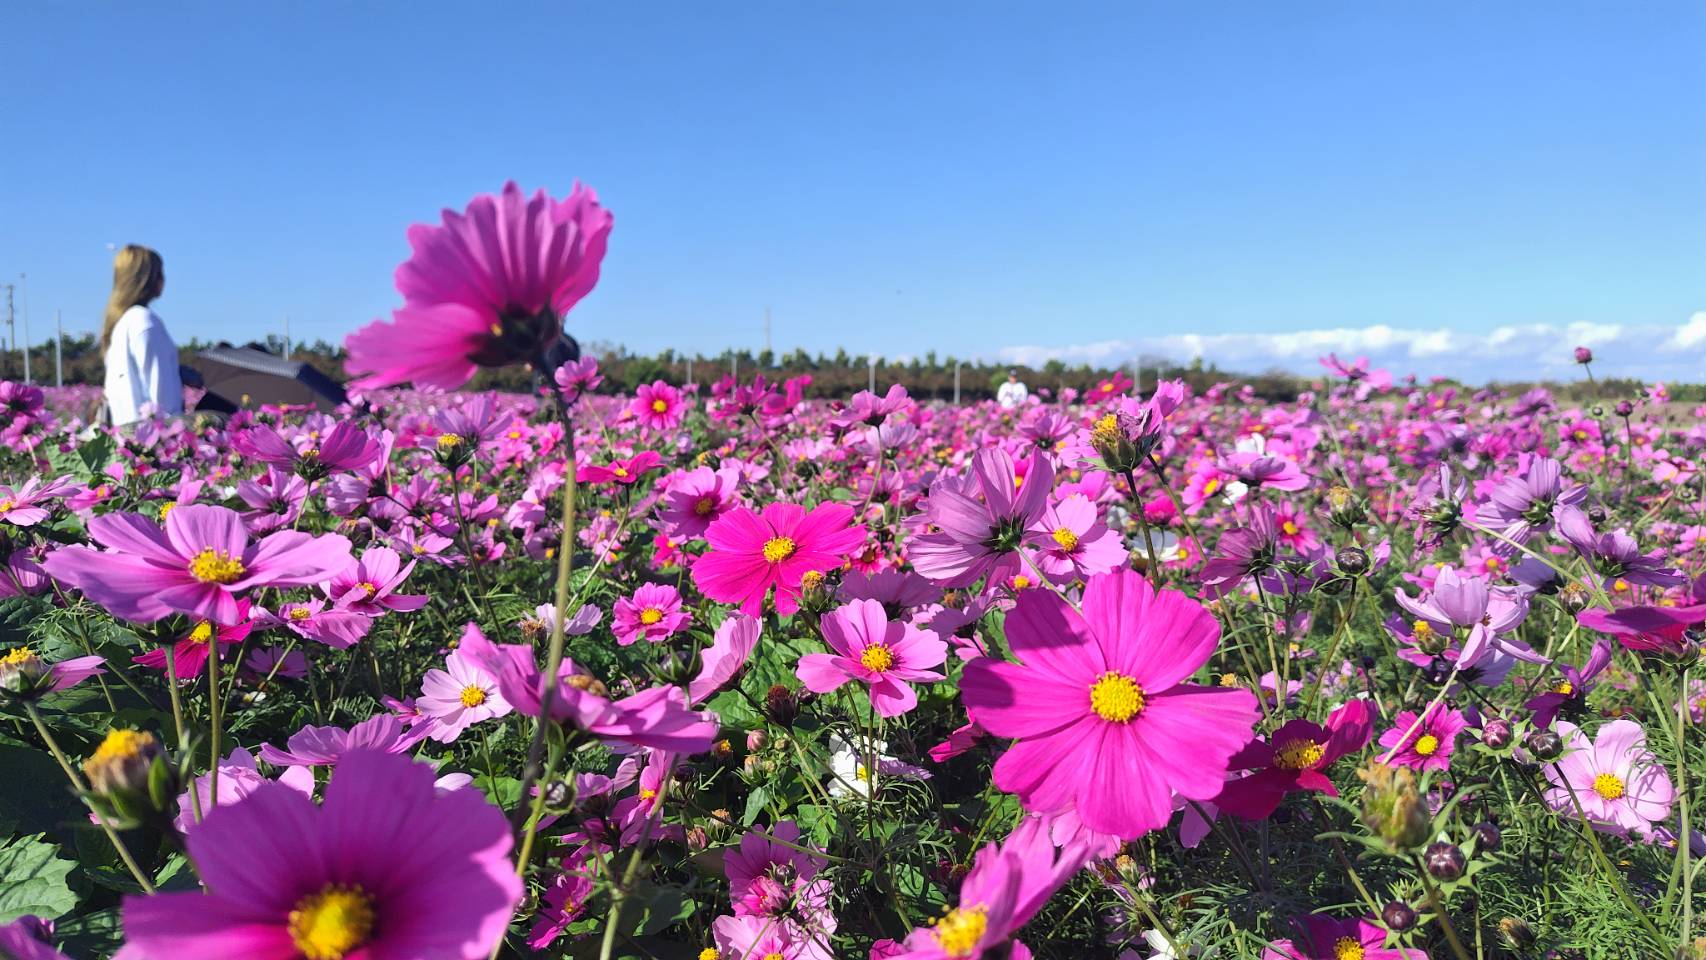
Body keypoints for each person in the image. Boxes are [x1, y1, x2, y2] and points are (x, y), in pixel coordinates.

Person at [101, 244, 183, 426]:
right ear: (148, 278)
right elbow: (162, 397)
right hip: (154, 439)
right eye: (160, 272)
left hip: (128, 439)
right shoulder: (144, 321)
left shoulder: (122, 323)